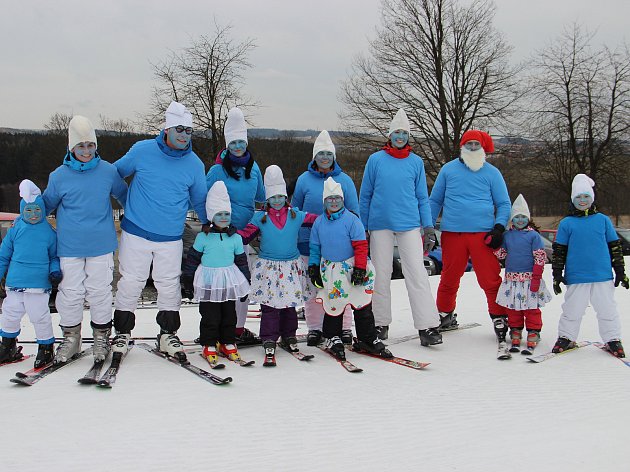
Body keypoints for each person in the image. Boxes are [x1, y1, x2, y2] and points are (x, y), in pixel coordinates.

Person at [112, 101, 209, 361]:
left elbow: (200, 200)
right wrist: (126, 199)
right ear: (166, 129)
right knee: (131, 281)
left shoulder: (194, 164)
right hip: (136, 232)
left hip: (170, 237)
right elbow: (114, 174)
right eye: (179, 129)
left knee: (168, 284)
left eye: (188, 131)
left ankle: (168, 333)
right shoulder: (142, 151)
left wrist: (211, 226)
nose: (183, 135)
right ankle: (122, 333)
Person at [42, 115, 127, 364]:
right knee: (70, 292)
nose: (87, 151)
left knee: (100, 292)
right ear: (71, 147)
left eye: (91, 145)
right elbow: (45, 206)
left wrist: (139, 218)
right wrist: (27, 219)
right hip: (69, 246)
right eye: (81, 146)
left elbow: (126, 197)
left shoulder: (108, 171)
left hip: (101, 245)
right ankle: (71, 337)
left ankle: (102, 336)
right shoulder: (59, 176)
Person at [359, 108, 442, 347]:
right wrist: (363, 227)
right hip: (380, 225)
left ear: (408, 137)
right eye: (396, 133)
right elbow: (366, 195)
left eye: (404, 133)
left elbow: (422, 197)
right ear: (389, 135)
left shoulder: (416, 163)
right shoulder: (375, 160)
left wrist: (428, 227)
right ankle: (380, 323)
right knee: (381, 275)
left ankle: (427, 325)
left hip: (409, 224)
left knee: (416, 272)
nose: (400, 137)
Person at [429, 129, 511, 344]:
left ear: (483, 148)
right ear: (462, 147)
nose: (473, 148)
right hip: (453, 233)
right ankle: (444, 313)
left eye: (476, 144)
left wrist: (499, 228)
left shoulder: (492, 173)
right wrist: (428, 226)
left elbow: (503, 203)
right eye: (469, 144)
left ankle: (499, 315)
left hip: (483, 235)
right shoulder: (448, 170)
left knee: (490, 278)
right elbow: (435, 200)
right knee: (449, 277)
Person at [238, 165, 315, 365]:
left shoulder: (295, 215)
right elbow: (246, 235)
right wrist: (229, 235)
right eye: (273, 198)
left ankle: (289, 334)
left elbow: (318, 221)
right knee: (270, 306)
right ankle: (269, 337)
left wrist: (339, 217)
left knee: (289, 305)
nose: (277, 201)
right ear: (267, 200)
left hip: (290, 266)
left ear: (285, 197)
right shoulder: (260, 217)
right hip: (269, 268)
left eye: (280, 197)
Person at [309, 177, 392, 361]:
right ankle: (333, 337)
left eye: (337, 198)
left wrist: (360, 268)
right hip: (332, 271)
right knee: (334, 307)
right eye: (330, 199)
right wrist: (313, 267)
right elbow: (314, 249)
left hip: (353, 267)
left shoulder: (352, 220)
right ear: (324, 201)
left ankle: (367, 338)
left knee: (362, 304)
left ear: (343, 199)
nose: (334, 202)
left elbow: (361, 246)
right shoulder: (319, 223)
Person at [291, 130, 359, 346]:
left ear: (334, 157)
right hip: (307, 242)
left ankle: (345, 327)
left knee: (339, 286)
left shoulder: (345, 180)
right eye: (321, 154)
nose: (325, 158)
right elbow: (294, 210)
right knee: (313, 286)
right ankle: (314, 328)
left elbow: (355, 212)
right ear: (314, 157)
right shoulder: (304, 180)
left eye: (328, 154)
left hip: (339, 247)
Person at [206, 107, 265, 345]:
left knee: (243, 285)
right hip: (222, 237)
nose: (238, 146)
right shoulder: (216, 171)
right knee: (221, 285)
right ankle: (217, 329)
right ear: (227, 144)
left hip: (246, 236)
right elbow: (205, 201)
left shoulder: (254, 168)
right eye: (234, 143)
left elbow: (262, 196)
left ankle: (238, 330)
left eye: (242, 142)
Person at [551, 174, 627, 357]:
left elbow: (615, 247)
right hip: (577, 276)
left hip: (602, 275)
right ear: (573, 199)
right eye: (578, 197)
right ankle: (566, 338)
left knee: (607, 308)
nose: (582, 200)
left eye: (586, 196)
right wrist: (557, 274)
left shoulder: (603, 220)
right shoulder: (567, 223)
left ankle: (613, 339)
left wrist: (620, 271)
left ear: (592, 198)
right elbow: (559, 251)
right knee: (572, 309)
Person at [181, 181, 250, 366]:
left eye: (227, 214)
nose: (223, 217)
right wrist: (187, 281)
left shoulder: (235, 238)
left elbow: (241, 261)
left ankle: (228, 342)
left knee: (230, 315)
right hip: (209, 281)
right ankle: (209, 344)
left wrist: (246, 282)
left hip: (228, 280)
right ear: (211, 216)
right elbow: (192, 259)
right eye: (219, 214)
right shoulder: (203, 237)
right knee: (210, 316)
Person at [0, 180, 60, 368]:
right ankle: (7, 345)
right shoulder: (15, 230)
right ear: (22, 211)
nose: (33, 215)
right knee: (10, 313)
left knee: (39, 315)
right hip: (15, 282)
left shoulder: (49, 233)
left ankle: (45, 347)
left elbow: (54, 256)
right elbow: (3, 255)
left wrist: (55, 270)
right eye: (28, 211)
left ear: (42, 211)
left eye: (37, 211)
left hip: (38, 284)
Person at [493, 194, 552, 355]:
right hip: (512, 279)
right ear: (512, 219)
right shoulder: (508, 235)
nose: (520, 220)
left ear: (528, 218)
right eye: (517, 217)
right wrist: (493, 245)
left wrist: (536, 278)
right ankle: (516, 329)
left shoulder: (533, 236)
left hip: (529, 279)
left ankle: (534, 331)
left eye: (523, 217)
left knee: (531, 308)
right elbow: (503, 255)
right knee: (513, 308)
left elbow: (539, 257)